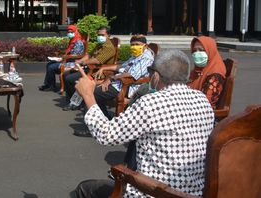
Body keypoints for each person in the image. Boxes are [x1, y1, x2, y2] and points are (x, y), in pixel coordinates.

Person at [74, 50, 214, 198]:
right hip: (194, 192)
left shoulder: (151, 103)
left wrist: (88, 95)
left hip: (155, 191)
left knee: (84, 189)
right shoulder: (202, 99)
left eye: (150, 71)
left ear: (156, 75)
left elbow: (106, 134)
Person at [73, 35, 154, 137]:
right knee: (94, 90)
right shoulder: (137, 55)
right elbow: (122, 66)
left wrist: (111, 78)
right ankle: (105, 119)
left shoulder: (146, 58)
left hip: (127, 86)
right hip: (118, 82)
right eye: (132, 45)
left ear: (145, 46)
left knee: (92, 94)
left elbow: (131, 75)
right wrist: (103, 68)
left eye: (137, 45)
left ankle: (92, 128)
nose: (134, 47)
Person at [62, 26, 116, 109]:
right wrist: (79, 62)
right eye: (98, 35)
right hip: (90, 69)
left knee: (70, 78)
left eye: (102, 35)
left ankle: (76, 103)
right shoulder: (99, 45)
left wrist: (83, 62)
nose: (100, 37)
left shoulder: (109, 48)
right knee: (66, 74)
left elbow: (97, 61)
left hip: (98, 72)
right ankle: (73, 101)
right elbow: (89, 55)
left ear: (108, 35)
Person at [38, 24, 85, 91]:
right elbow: (69, 51)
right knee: (49, 64)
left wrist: (64, 57)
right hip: (68, 60)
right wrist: (60, 53)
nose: (69, 33)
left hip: (73, 62)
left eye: (71, 32)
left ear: (75, 32)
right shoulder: (72, 40)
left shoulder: (78, 42)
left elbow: (76, 55)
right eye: (68, 32)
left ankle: (51, 86)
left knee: (51, 67)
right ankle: (48, 84)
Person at [189, 36, 226, 109]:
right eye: (194, 50)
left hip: (204, 114)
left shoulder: (215, 74)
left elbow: (206, 101)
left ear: (210, 51)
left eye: (201, 50)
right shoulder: (199, 70)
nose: (197, 53)